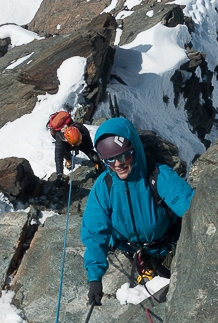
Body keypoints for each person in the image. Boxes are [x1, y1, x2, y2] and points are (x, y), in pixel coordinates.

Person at [81, 116, 194, 305]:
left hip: (164, 247)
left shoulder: (158, 176)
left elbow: (190, 207)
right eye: (110, 161)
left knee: (173, 278)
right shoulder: (104, 187)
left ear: (135, 150)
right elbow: (95, 233)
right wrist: (94, 278)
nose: (118, 164)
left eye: (124, 156)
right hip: (131, 248)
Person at [47, 110, 102, 183]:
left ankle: (98, 164)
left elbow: (89, 147)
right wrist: (59, 175)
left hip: (80, 139)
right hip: (66, 142)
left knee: (89, 151)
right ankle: (68, 159)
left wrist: (95, 159)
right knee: (65, 151)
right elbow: (58, 156)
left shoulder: (82, 129)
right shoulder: (60, 139)